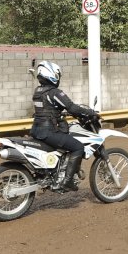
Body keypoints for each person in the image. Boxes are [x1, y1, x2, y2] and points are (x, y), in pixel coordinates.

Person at [30, 60, 99, 191]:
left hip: (36, 130)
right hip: (49, 131)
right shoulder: (54, 92)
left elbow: (48, 109)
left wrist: (61, 114)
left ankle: (55, 174)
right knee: (78, 147)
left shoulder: (38, 91)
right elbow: (72, 107)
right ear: (52, 75)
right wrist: (90, 112)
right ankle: (67, 181)